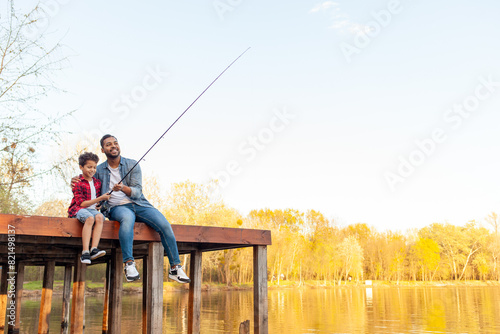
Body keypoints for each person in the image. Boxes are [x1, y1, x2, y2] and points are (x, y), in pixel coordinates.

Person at [72, 134, 190, 283]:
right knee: (127, 219)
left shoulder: (132, 164)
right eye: (108, 144)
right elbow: (85, 178)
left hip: (140, 204)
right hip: (116, 208)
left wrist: (123, 188)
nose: (113, 146)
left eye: (115, 143)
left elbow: (137, 192)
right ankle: (129, 264)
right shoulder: (99, 169)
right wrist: (74, 179)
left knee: (165, 225)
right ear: (103, 150)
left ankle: (175, 268)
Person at [68, 152, 110, 264]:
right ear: (81, 167)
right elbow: (81, 203)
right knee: (90, 218)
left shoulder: (97, 182)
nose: (92, 170)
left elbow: (95, 199)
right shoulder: (77, 182)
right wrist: (100, 198)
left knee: (100, 217)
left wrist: (99, 203)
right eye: (89, 167)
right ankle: (85, 252)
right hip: (78, 209)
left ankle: (94, 249)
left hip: (91, 210)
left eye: (94, 167)